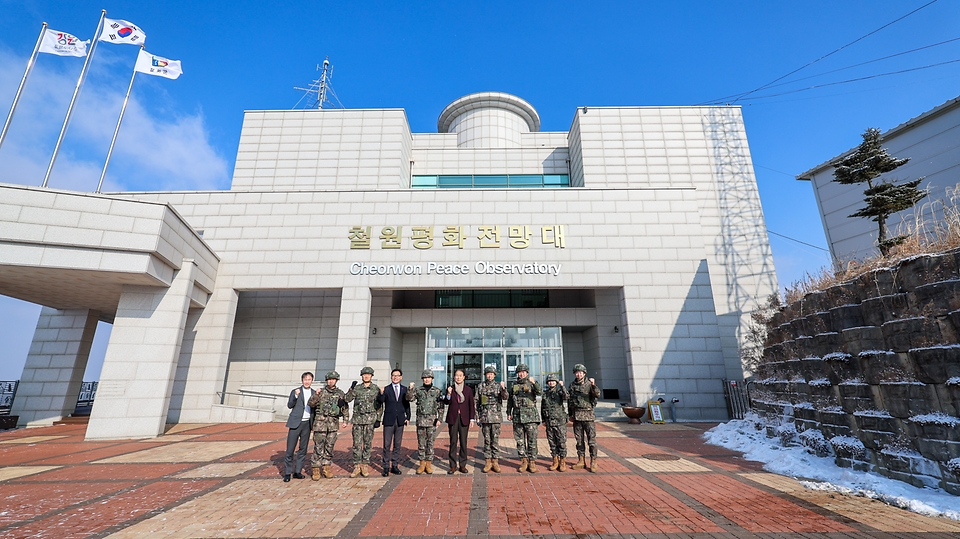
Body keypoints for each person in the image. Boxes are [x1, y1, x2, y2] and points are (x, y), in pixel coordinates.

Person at [307, 371, 349, 479]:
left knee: (329, 447)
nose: (331, 381)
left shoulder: (340, 393)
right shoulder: (320, 392)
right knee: (318, 447)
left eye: (333, 379)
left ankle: (326, 468)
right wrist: (316, 395)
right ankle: (316, 469)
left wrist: (345, 420)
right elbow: (311, 403)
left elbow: (344, 407)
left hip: (333, 425)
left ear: (336, 381)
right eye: (329, 379)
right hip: (320, 424)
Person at [406, 369, 445, 474]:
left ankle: (428, 464)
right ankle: (421, 464)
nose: (427, 379)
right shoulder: (418, 390)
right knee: (421, 443)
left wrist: (440, 419)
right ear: (422, 379)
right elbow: (409, 398)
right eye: (425, 378)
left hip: (432, 421)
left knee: (430, 443)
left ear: (432, 379)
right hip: (421, 421)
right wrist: (410, 389)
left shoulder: (437, 391)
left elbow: (441, 406)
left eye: (429, 377)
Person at [345, 366, 381, 478]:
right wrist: (351, 388)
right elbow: (347, 399)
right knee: (357, 444)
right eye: (364, 374)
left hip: (370, 421)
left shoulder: (375, 389)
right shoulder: (357, 388)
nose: (366, 376)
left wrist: (378, 419)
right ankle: (357, 465)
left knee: (368, 443)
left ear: (371, 376)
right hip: (358, 420)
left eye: (368, 374)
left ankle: (365, 464)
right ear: (361, 376)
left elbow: (380, 405)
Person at [507, 363, 541, 473]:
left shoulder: (531, 383)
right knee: (520, 441)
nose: (521, 374)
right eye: (519, 372)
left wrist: (534, 383)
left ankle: (532, 462)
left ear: (527, 373)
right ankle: (524, 461)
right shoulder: (514, 385)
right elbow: (510, 400)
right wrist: (508, 412)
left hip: (531, 417)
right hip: (517, 416)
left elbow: (540, 392)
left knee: (532, 440)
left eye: (523, 372)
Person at [568, 363, 602, 472]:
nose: (578, 374)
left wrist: (593, 385)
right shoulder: (572, 385)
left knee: (591, 441)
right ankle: (581, 460)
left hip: (588, 416)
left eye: (580, 372)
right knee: (579, 441)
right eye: (577, 372)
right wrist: (570, 414)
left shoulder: (589, 384)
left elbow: (597, 394)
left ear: (584, 373)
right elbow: (570, 401)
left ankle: (593, 461)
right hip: (577, 417)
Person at [283, 371, 315, 482]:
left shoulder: (314, 393)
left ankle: (297, 471)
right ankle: (287, 473)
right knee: (290, 449)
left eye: (309, 379)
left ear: (312, 381)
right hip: (295, 423)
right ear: (302, 380)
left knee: (303, 449)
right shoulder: (295, 391)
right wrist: (296, 396)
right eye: (305, 379)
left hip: (307, 424)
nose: (307, 382)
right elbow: (290, 405)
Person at [377, 368, 410, 476]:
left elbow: (407, 404)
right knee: (387, 445)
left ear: (401, 377)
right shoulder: (386, 389)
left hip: (400, 419)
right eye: (393, 375)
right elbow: (380, 401)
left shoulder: (404, 389)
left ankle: (394, 466)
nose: (395, 377)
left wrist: (408, 417)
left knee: (397, 444)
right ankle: (386, 467)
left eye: (397, 375)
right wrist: (381, 393)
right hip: (389, 420)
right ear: (391, 377)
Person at [475, 365, 508, 473]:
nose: (489, 376)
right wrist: (477, 416)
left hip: (495, 418)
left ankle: (495, 461)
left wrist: (503, 388)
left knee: (495, 441)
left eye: (491, 374)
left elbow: (505, 397)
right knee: (487, 440)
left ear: (494, 375)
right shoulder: (481, 386)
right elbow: (476, 402)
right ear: (485, 375)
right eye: (488, 374)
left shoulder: (498, 386)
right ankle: (488, 462)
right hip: (484, 417)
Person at [442, 369, 475, 473]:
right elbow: (446, 402)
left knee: (463, 442)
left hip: (464, 418)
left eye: (460, 375)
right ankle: (452, 465)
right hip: (453, 418)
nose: (458, 377)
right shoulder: (450, 388)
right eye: (457, 375)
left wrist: (472, 418)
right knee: (453, 442)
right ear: (454, 377)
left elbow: (471, 405)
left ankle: (462, 465)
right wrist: (448, 394)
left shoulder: (468, 390)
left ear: (464, 377)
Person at [541, 374, 568, 472]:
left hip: (559, 421)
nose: (551, 382)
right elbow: (543, 407)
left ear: (556, 382)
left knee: (561, 442)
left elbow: (566, 396)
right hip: (549, 421)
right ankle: (555, 461)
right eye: (549, 381)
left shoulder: (559, 391)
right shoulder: (545, 393)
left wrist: (562, 386)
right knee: (552, 442)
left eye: (553, 381)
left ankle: (562, 461)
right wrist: (543, 420)